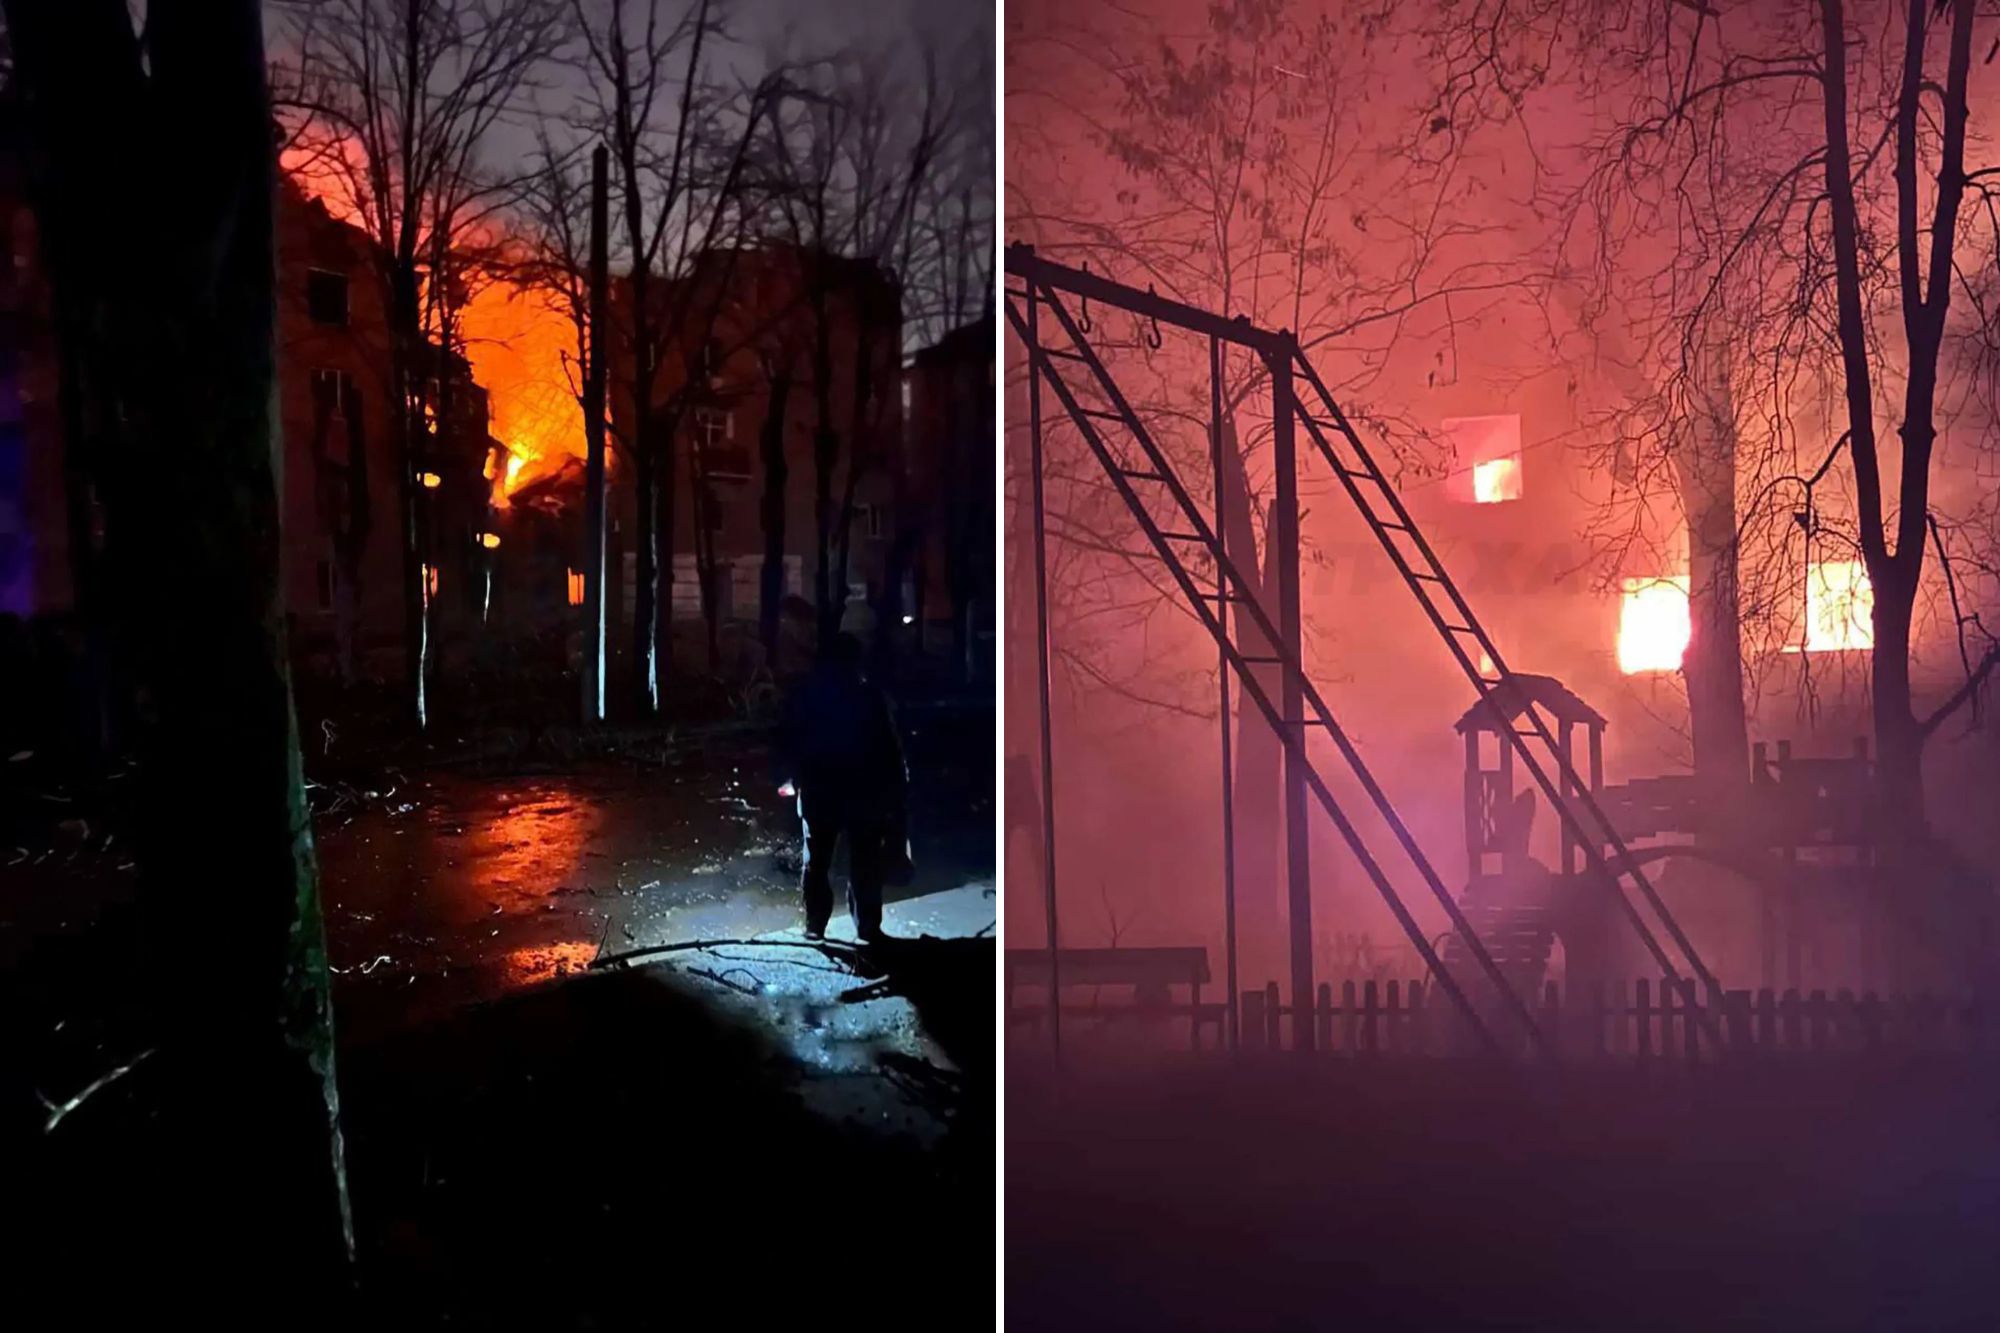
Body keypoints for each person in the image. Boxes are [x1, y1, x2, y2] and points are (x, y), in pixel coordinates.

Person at [773, 632, 909, 942]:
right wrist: (896, 795)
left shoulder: (806, 695)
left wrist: (788, 777)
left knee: (818, 863)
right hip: (861, 791)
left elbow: (786, 741)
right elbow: (890, 751)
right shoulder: (869, 697)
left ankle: (815, 928)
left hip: (821, 790)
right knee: (864, 861)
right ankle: (867, 929)